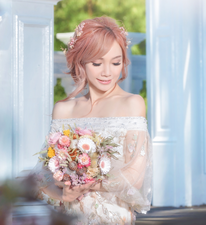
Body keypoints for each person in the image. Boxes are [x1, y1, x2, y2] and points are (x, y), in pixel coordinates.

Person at [32, 16, 152, 225]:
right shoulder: (63, 109)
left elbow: (135, 176)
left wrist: (86, 184)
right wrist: (62, 195)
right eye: (97, 63)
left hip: (112, 215)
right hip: (67, 215)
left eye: (116, 62)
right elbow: (44, 174)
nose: (108, 72)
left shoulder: (132, 103)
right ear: (81, 62)